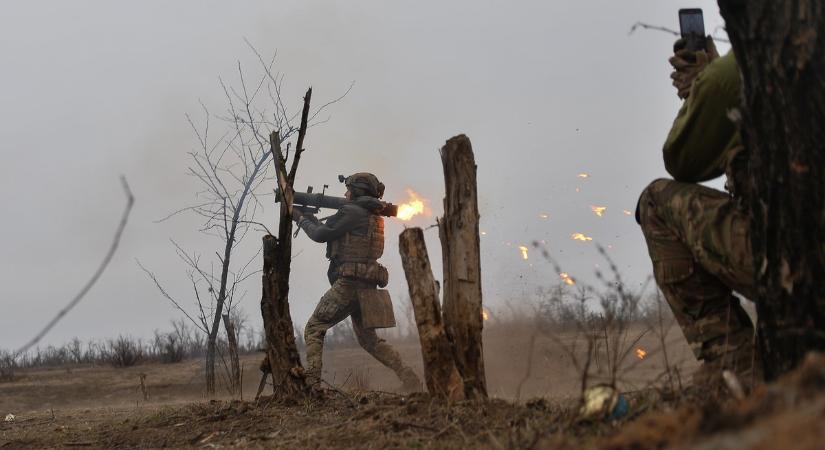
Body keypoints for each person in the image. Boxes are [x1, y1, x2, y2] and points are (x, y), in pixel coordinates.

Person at [636, 37, 761, 386]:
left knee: (656, 202)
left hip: (790, 257)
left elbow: (684, 159)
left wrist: (703, 91)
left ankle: (737, 367)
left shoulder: (743, 67)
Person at [293, 172, 421, 391]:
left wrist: (300, 218)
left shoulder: (352, 211)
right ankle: (410, 378)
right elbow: (332, 230)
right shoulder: (373, 215)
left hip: (349, 285)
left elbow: (320, 234)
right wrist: (309, 218)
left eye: (349, 189)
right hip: (367, 284)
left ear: (357, 191)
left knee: (314, 328)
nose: (345, 193)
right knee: (369, 341)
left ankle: (312, 386)